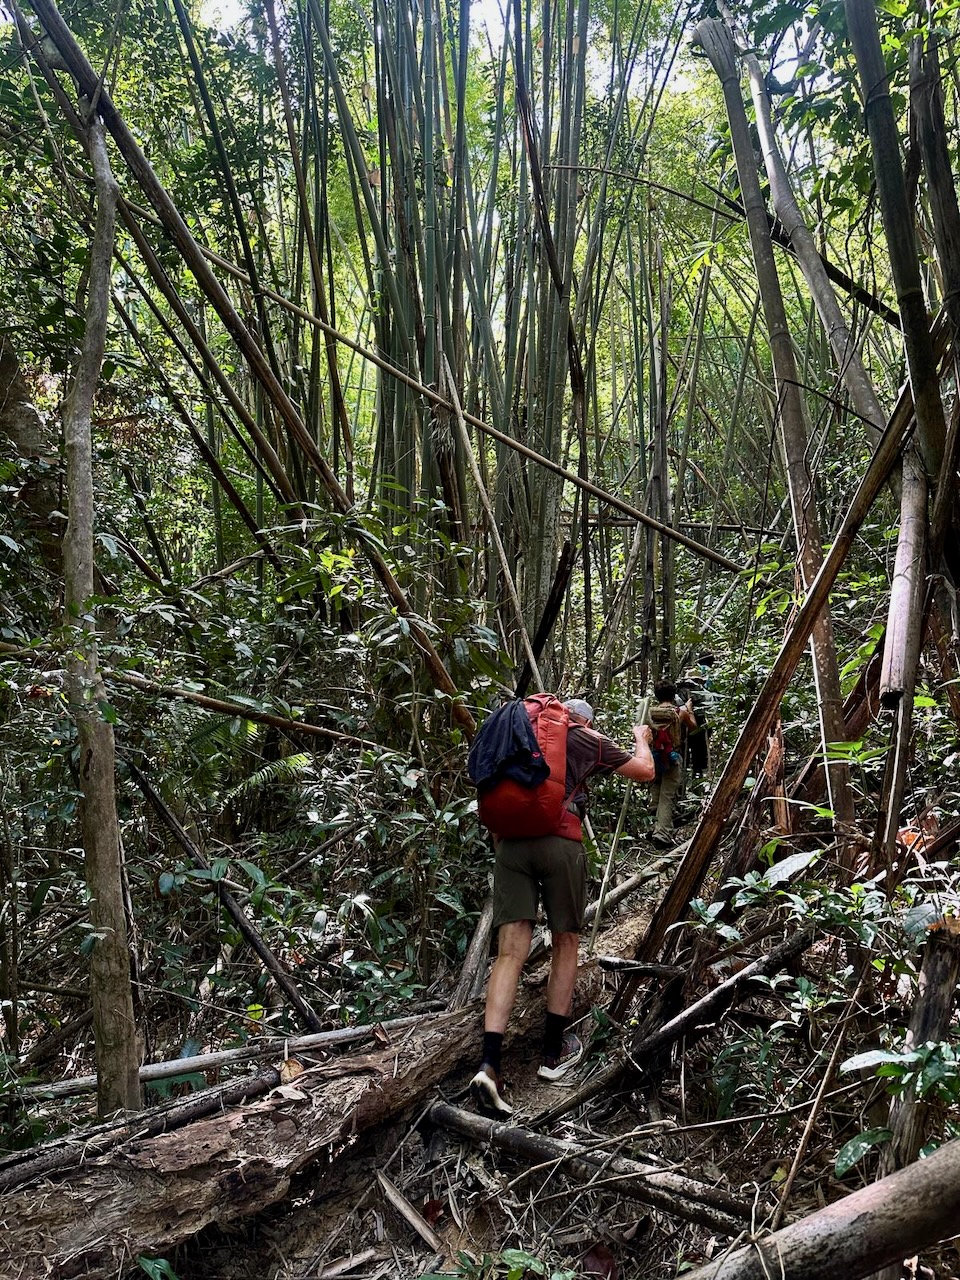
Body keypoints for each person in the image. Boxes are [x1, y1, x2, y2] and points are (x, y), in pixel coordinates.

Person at [470, 698, 655, 1114]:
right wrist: (640, 738)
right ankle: (553, 1054)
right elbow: (645, 771)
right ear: (583, 719)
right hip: (560, 841)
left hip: (510, 847)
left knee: (509, 954)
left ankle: (489, 1065)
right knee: (565, 941)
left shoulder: (516, 733)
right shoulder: (583, 736)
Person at [648, 681, 697, 850]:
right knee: (667, 796)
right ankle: (661, 834)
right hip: (671, 757)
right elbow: (693, 727)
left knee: (655, 792)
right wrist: (689, 709)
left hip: (653, 757)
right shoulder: (679, 712)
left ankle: (652, 826)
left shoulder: (650, 712)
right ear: (673, 695)